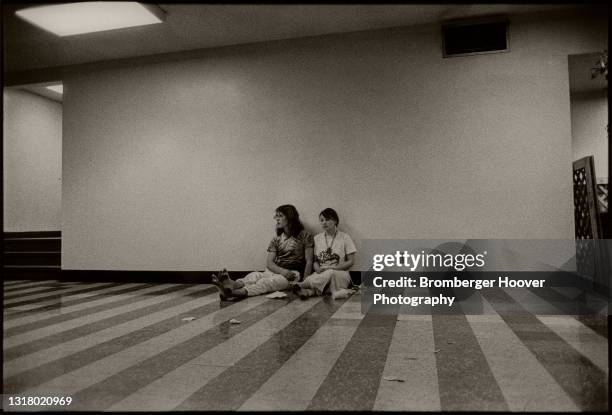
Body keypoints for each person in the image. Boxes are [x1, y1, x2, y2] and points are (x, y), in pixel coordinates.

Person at [212, 204, 313, 300]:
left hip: (293, 275)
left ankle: (234, 293)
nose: (276, 219)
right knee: (255, 275)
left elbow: (309, 261)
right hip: (276, 271)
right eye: (276, 216)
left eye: (280, 216)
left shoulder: (305, 235)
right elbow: (269, 262)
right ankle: (232, 285)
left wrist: (304, 283)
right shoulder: (276, 238)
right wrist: (282, 271)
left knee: (266, 282)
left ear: (290, 217)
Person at [291, 208, 356, 299]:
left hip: (339, 273)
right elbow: (315, 261)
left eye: (327, 219)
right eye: (321, 220)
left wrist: (333, 267)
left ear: (335, 221)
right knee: (325, 277)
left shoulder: (345, 237)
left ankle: (303, 285)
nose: (324, 222)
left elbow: (351, 261)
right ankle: (311, 292)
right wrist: (317, 268)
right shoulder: (317, 238)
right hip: (322, 273)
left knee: (331, 273)